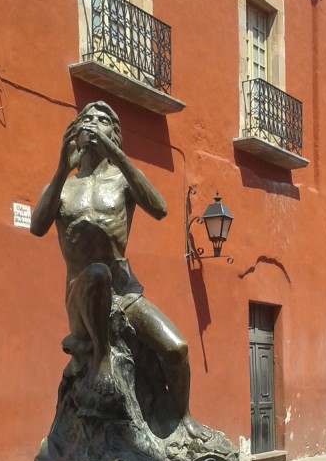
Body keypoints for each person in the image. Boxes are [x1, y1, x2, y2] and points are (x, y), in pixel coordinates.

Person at [30, 101, 204, 438]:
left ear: (115, 134)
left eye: (103, 120)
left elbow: (160, 208)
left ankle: (183, 417)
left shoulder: (121, 182)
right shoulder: (61, 188)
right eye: (86, 119)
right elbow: (37, 226)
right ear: (74, 134)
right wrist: (59, 169)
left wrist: (118, 157)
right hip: (82, 292)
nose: (93, 123)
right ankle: (103, 362)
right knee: (96, 272)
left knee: (176, 349)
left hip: (124, 290)